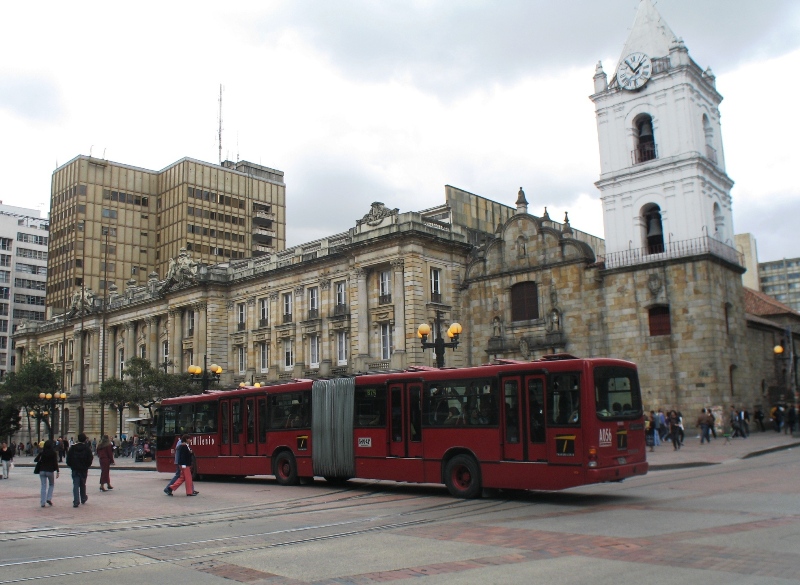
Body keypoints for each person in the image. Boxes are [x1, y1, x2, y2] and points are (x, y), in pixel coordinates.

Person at [66, 433, 94, 508]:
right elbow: (90, 458)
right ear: (85, 439)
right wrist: (87, 466)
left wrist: (71, 465)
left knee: (75, 484)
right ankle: (83, 498)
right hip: (83, 469)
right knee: (82, 483)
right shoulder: (87, 448)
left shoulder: (73, 448)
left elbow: (68, 459)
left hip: (75, 468)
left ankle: (76, 501)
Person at [35, 440, 59, 507]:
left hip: (42, 470)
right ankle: (48, 498)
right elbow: (55, 463)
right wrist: (57, 471)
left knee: (43, 486)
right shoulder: (53, 453)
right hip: (50, 471)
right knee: (51, 484)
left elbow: (35, 460)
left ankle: (42, 502)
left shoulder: (42, 452)